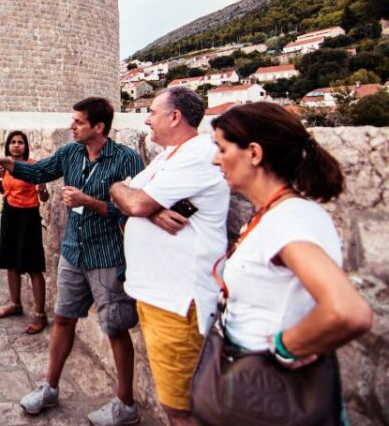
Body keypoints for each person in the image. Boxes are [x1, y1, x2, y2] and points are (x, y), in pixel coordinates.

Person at [0, 97, 144, 424]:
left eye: (78, 122)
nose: (71, 126)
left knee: (116, 328)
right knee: (63, 318)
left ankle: (126, 405)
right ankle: (49, 387)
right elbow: (39, 170)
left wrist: (90, 202)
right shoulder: (71, 152)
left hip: (107, 255)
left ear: (99, 127)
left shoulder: (126, 159)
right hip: (73, 251)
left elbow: (136, 210)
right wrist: (5, 162)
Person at [206, 103, 371, 415]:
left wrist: (285, 346)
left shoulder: (287, 220)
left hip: (271, 387)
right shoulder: (279, 213)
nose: (215, 159)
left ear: (253, 153)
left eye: (221, 148)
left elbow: (349, 311)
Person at [109, 87, 230, 425]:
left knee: (183, 409)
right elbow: (121, 189)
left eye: (152, 111)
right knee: (176, 402)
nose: (146, 119)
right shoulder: (169, 156)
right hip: (157, 298)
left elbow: (133, 200)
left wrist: (140, 205)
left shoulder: (200, 154)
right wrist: (144, 207)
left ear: (175, 117)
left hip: (178, 303)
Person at [0, 131, 50, 334]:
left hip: (29, 218)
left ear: (26, 145)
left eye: (20, 142)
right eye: (13, 142)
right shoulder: (5, 168)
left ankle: (40, 315)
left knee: (33, 266)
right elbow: (4, 191)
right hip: (10, 215)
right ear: (8, 147)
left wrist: (42, 190)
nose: (16, 145)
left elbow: (44, 198)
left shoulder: (32, 166)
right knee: (10, 261)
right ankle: (15, 303)